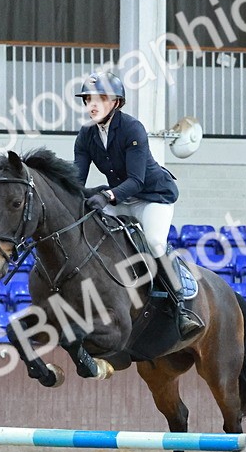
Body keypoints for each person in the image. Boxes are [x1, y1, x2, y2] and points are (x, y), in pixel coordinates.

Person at [72, 71, 202, 338]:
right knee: (91, 227)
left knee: (154, 242)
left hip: (152, 197)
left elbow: (136, 181)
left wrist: (106, 196)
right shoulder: (86, 135)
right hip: (121, 199)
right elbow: (77, 181)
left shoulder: (132, 129)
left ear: (116, 102)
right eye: (88, 100)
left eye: (100, 99)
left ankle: (181, 308)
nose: (92, 105)